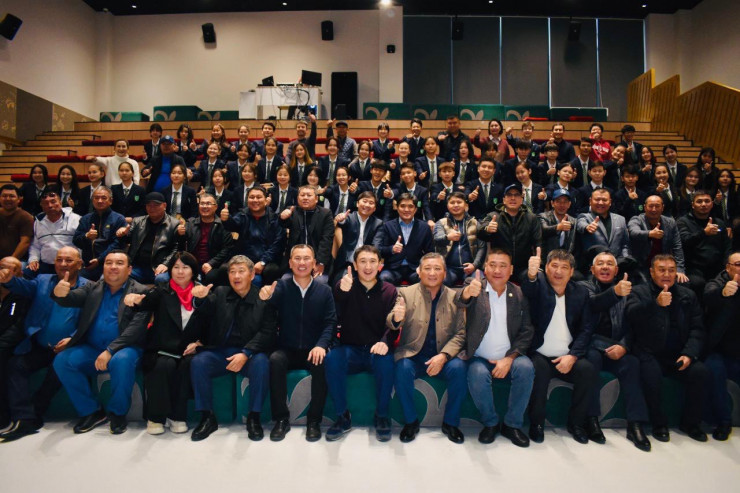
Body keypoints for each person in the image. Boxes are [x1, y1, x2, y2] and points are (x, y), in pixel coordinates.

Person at [51, 250, 150, 435]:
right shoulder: (93, 287)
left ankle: (118, 413)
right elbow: (70, 298)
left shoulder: (141, 291)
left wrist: (110, 350)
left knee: (122, 360)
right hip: (93, 348)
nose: (113, 267)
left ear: (129, 269)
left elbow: (136, 329)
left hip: (126, 348)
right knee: (63, 361)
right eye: (108, 263)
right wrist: (60, 294)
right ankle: (92, 411)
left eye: (119, 263)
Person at [185, 255, 277, 441]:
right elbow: (204, 313)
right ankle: (207, 417)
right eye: (232, 272)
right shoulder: (220, 293)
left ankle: (254, 417)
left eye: (241, 271)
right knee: (199, 362)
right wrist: (200, 300)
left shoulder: (262, 297)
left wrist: (245, 353)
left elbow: (267, 332)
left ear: (252, 275)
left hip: (250, 353)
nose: (236, 276)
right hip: (222, 351)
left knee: (261, 363)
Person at [0, 249, 86, 442]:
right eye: (59, 260)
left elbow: (90, 319)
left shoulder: (89, 287)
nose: (63, 264)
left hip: (70, 347)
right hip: (40, 345)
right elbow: (23, 286)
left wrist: (72, 339)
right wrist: (9, 280)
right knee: (15, 365)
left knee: (59, 368)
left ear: (80, 264)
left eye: (69, 260)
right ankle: (24, 418)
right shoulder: (42, 281)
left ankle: (35, 413)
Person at [625, 254, 709, 442]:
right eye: (661, 270)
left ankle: (690, 423)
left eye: (671, 270)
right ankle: (659, 423)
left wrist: (689, 353)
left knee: (700, 372)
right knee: (651, 374)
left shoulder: (688, 295)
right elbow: (631, 316)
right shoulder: (639, 292)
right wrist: (655, 304)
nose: (667, 274)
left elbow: (697, 329)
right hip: (649, 351)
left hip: (679, 353)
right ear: (652, 272)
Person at [456, 249, 535, 447]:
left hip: (510, 356)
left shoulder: (518, 293)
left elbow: (527, 330)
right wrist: (467, 293)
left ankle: (512, 424)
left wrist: (509, 358)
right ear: (485, 267)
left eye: (503, 266)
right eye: (492, 265)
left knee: (526, 368)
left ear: (511, 270)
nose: (497, 270)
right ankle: (490, 423)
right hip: (479, 356)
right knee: (477, 373)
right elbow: (460, 299)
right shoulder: (474, 285)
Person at [259, 245, 337, 442]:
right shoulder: (281, 287)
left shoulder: (325, 290)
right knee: (275, 360)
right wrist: (265, 299)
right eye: (297, 258)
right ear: (290, 262)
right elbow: (268, 317)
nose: (302, 263)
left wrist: (321, 345)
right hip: (287, 347)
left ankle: (314, 420)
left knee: (322, 362)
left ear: (314, 263)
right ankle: (281, 420)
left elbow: (330, 323)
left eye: (306, 258)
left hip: (313, 348)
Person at [522, 249, 599, 444]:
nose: (558, 271)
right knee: (538, 371)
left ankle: (576, 424)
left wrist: (573, 356)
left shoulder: (580, 292)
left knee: (587, 370)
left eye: (564, 267)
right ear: (546, 268)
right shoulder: (538, 285)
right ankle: (536, 423)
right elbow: (528, 287)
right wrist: (531, 274)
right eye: (554, 266)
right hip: (539, 353)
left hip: (567, 355)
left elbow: (586, 329)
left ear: (571, 271)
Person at [389, 253, 467, 443]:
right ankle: (411, 421)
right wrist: (396, 318)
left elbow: (460, 334)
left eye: (437, 269)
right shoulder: (406, 294)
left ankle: (451, 423)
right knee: (402, 367)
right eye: (427, 268)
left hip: (443, 356)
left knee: (459, 368)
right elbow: (392, 321)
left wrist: (444, 356)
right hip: (414, 354)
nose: (432, 273)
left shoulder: (455, 297)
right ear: (419, 271)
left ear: (445, 273)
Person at [579, 252, 652, 451]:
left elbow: (632, 325)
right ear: (592, 269)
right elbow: (592, 305)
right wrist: (615, 293)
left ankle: (635, 424)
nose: (605, 267)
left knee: (632, 363)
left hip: (615, 346)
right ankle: (591, 419)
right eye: (600, 264)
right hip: (590, 346)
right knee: (591, 361)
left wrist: (624, 346)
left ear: (616, 270)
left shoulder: (628, 289)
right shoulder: (583, 287)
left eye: (610, 264)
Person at [121, 252, 199, 436]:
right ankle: (155, 417)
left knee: (187, 365)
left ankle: (177, 416)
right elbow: (145, 302)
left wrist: (200, 343)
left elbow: (210, 321)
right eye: (176, 267)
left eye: (185, 267)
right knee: (163, 364)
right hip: (163, 347)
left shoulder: (201, 292)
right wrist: (134, 300)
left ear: (193, 271)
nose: (180, 272)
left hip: (190, 349)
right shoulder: (162, 290)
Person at [325, 246, 397, 441]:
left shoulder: (390, 291)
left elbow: (394, 324)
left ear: (380, 265)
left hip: (375, 349)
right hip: (350, 350)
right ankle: (342, 416)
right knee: (332, 359)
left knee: (386, 361)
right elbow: (337, 299)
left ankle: (381, 415)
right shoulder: (346, 285)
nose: (368, 266)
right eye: (363, 261)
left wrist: (385, 342)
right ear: (355, 265)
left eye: (373, 261)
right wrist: (341, 289)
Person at [703, 251, 740, 441]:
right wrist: (723, 293)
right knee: (715, 372)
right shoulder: (717, 283)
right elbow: (709, 296)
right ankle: (723, 421)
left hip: (737, 351)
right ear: (728, 267)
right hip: (716, 349)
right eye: (738, 264)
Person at [220, 186, 285, 287]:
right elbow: (232, 225)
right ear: (247, 200)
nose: (255, 200)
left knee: (272, 270)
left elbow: (277, 244)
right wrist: (226, 219)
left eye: (259, 197)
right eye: (252, 197)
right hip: (244, 258)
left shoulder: (274, 218)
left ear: (266, 200)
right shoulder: (243, 214)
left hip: (267, 260)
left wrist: (263, 262)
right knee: (224, 268)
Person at [479, 183, 542, 279]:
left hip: (524, 267)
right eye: (509, 195)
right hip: (500, 267)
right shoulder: (493, 216)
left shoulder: (531, 218)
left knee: (539, 277)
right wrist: (487, 229)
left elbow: (538, 242)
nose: (513, 198)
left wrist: (538, 261)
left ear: (522, 199)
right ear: (504, 199)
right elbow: (479, 232)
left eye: (516, 195)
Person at [676, 190, 732, 297]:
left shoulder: (719, 223)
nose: (703, 204)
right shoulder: (682, 222)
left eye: (707, 201)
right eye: (699, 201)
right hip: (693, 268)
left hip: (717, 267)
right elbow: (685, 242)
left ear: (712, 204)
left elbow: (727, 247)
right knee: (698, 283)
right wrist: (704, 233)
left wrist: (727, 266)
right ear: (693, 205)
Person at [115, 192, 179, 284]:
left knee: (161, 279)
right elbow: (126, 241)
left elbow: (176, 248)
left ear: (164, 206)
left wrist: (165, 264)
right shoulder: (137, 221)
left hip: (159, 267)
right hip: (137, 267)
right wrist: (122, 235)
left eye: (156, 205)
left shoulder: (174, 224)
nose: (152, 208)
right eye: (149, 205)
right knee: (115, 275)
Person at [374, 193, 434, 285]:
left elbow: (430, 252)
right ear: (397, 208)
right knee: (383, 278)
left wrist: (423, 266)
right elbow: (380, 250)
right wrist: (392, 249)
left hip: (416, 269)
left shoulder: (424, 227)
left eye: (410, 206)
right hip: (393, 269)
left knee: (428, 279)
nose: (406, 210)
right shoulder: (388, 226)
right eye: (402, 206)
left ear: (415, 209)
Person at [279, 185, 334, 284]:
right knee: (285, 281)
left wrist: (321, 263)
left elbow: (327, 240)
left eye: (309, 195)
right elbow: (283, 224)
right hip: (295, 261)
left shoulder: (325, 213)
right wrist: (282, 218)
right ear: (297, 198)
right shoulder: (292, 210)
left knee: (319, 282)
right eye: (302, 195)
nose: (305, 198)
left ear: (316, 199)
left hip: (317, 260)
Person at [627, 195, 688, 283]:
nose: (654, 209)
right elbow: (633, 232)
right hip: (642, 265)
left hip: (664, 265)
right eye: (651, 206)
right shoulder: (637, 220)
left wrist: (679, 269)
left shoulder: (670, 222)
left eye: (657, 206)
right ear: (645, 207)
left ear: (662, 208)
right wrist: (650, 233)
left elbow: (677, 246)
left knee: (683, 282)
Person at [177, 193, 235, 286]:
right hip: (193, 263)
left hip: (214, 265)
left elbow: (227, 249)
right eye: (202, 204)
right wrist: (180, 235)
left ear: (216, 207)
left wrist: (211, 263)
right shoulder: (191, 223)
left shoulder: (222, 225)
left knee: (211, 276)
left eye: (208, 204)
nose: (204, 206)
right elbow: (181, 247)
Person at [73, 186, 127, 280]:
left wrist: (99, 260)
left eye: (104, 198)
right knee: (74, 281)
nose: (100, 201)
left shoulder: (119, 219)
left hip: (109, 265)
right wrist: (86, 236)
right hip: (88, 266)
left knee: (103, 282)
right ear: (92, 200)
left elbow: (117, 244)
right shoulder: (86, 219)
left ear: (110, 201)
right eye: (96, 198)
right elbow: (75, 240)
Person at [433, 191, 485, 286]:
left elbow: (482, 247)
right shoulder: (441, 223)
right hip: (448, 268)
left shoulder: (475, 223)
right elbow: (436, 240)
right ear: (447, 206)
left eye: (459, 202)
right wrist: (448, 237)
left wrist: (474, 265)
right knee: (438, 282)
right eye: (452, 203)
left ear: (465, 205)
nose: (456, 205)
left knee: (479, 283)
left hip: (470, 267)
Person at [27, 189, 81, 277]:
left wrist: (79, 262)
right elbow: (35, 246)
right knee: (25, 273)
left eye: (53, 202)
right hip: (45, 265)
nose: (50, 206)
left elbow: (81, 244)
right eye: (46, 203)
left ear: (60, 202)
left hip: (68, 265)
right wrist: (33, 260)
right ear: (41, 206)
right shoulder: (38, 221)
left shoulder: (75, 219)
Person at [575, 189, 630, 273]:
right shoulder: (584, 217)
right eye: (597, 200)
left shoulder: (620, 219)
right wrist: (587, 227)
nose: (600, 203)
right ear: (590, 201)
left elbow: (625, 244)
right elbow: (580, 224)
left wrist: (624, 259)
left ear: (610, 202)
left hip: (616, 269)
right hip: (591, 269)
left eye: (604, 200)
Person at [333, 191, 382, 284]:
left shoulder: (378, 223)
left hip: (367, 265)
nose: (367, 205)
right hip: (347, 263)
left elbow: (376, 246)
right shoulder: (349, 218)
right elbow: (342, 223)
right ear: (357, 204)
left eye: (371, 203)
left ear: (374, 208)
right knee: (340, 283)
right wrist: (341, 220)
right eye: (364, 201)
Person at [539, 189, 577, 260]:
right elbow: (543, 230)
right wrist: (558, 227)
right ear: (552, 203)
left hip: (566, 260)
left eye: (565, 202)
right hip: (546, 260)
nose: (562, 205)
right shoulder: (543, 216)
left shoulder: (573, 221)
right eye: (558, 201)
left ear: (569, 204)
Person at [0, 184, 34, 260]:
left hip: (18, 260)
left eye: (12, 196)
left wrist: (10, 261)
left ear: (19, 199)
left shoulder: (26, 217)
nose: (8, 199)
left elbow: (25, 243)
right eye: (4, 196)